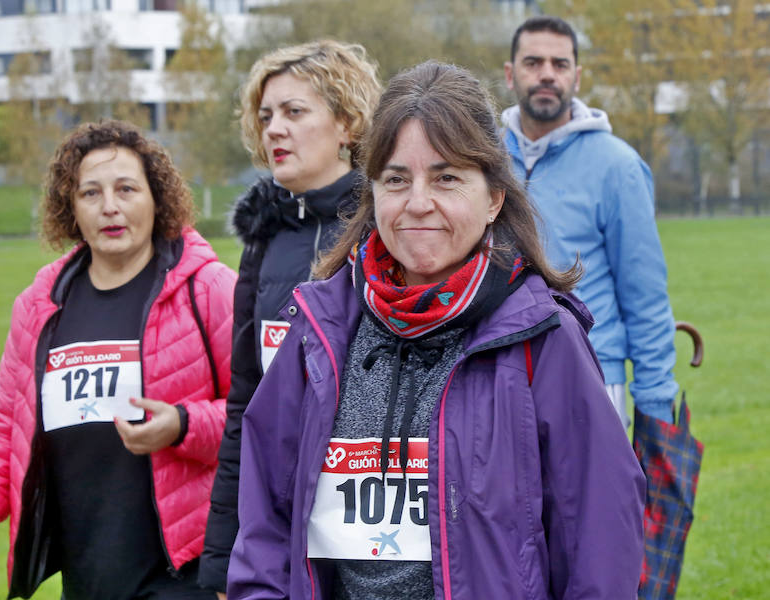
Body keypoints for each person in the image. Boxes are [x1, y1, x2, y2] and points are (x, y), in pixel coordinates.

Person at [227, 61, 644, 600]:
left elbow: (600, 542)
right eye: (396, 179)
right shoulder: (321, 330)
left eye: (447, 178)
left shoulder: (544, 337)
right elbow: (265, 516)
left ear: (493, 197)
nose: (417, 202)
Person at [0, 120, 236, 599]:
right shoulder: (41, 304)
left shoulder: (210, 289)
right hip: (87, 572)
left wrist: (182, 424)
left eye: (126, 189)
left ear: (156, 198)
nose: (110, 207)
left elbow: (263, 418)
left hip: (187, 573)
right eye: (90, 193)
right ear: (70, 208)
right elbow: (0, 426)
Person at [198, 40, 381, 598]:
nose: (274, 128)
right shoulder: (264, 238)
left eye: (295, 112)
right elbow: (243, 409)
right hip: (279, 510)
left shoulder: (389, 227)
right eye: (266, 116)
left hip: (369, 509)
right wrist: (223, 559)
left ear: (347, 123)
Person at [502, 15, 679, 427]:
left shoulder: (618, 167)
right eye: (533, 62)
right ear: (510, 74)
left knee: (597, 495)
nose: (547, 74)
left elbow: (645, 298)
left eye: (560, 64)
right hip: (498, 374)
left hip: (592, 378)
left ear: (577, 77)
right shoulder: (481, 159)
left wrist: (655, 407)